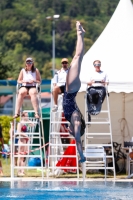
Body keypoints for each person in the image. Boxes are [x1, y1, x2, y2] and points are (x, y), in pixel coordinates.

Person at [63, 21, 86, 163]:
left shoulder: (69, 118)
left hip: (69, 88)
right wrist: (81, 155)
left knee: (77, 58)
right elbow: (77, 138)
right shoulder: (76, 117)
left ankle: (80, 35)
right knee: (78, 57)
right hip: (71, 90)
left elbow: (76, 138)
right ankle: (80, 34)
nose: (70, 131)